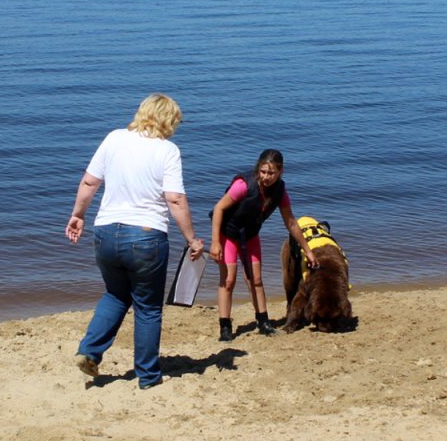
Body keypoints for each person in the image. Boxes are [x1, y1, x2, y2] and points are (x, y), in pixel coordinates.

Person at [65, 93, 204, 389]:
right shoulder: (167, 150)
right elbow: (175, 199)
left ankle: (89, 351)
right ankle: (148, 376)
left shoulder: (115, 138)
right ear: (169, 121)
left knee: (116, 294)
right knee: (148, 307)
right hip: (145, 235)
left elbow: (90, 181)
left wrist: (78, 215)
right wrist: (192, 239)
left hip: (105, 232)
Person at [209, 149, 317, 342]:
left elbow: (291, 222)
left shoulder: (280, 192)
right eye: (263, 171)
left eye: (271, 173)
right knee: (228, 280)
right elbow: (218, 208)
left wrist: (307, 250)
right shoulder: (243, 185)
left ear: (280, 172)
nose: (266, 177)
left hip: (250, 236)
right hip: (229, 235)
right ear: (258, 169)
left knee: (256, 280)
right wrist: (215, 242)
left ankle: (263, 321)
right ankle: (225, 326)